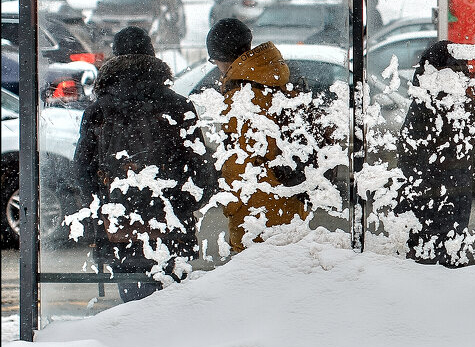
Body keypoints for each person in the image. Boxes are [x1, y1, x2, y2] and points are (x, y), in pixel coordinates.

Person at [72, 26, 216, 302]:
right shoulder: (178, 106)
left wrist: (106, 207)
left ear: (114, 61)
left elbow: (83, 171)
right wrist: (180, 204)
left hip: (121, 228)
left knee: (134, 308)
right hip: (170, 225)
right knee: (176, 307)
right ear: (153, 58)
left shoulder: (99, 110)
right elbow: (201, 171)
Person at [206, 18, 309, 253]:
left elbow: (241, 164)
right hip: (288, 196)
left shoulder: (242, 96)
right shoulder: (275, 79)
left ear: (220, 58)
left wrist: (230, 201)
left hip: (258, 210)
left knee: (258, 280)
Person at [395, 40, 475, 266]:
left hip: (444, 191)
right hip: (436, 192)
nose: (464, 74)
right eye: (459, 68)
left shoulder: (427, 102)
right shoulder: (438, 105)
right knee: (439, 258)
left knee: (430, 259)